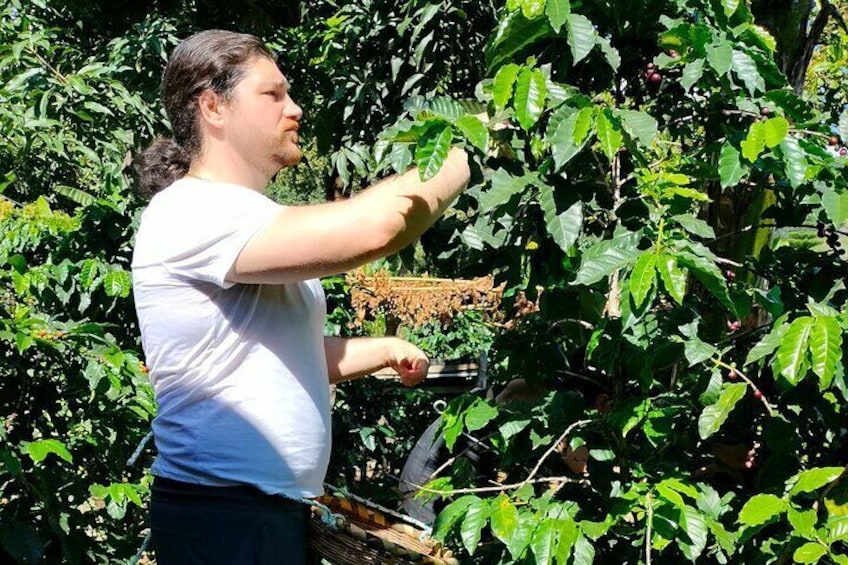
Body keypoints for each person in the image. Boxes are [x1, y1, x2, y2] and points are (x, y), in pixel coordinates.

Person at [131, 29, 470, 565]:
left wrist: (379, 348)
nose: (296, 108)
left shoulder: (249, 219)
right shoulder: (190, 211)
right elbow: (377, 228)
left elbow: (282, 354)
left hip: (263, 512)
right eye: (274, 94)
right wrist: (455, 155)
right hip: (223, 516)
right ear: (213, 106)